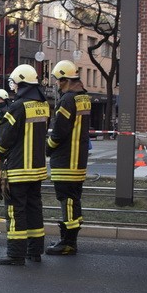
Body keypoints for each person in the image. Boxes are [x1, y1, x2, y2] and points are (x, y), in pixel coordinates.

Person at [0, 65, 49, 265]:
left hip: (18, 169)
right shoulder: (44, 105)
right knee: (35, 209)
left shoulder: (17, 107)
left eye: (14, 83)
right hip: (37, 169)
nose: (13, 87)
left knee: (16, 211)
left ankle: (15, 254)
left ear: (22, 83)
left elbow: (3, 140)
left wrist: (0, 152)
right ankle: (35, 251)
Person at [45, 60, 91, 256]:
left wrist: (47, 148)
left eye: (57, 80)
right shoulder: (84, 98)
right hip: (78, 159)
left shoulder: (67, 100)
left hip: (66, 160)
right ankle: (71, 239)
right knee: (74, 199)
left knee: (67, 200)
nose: (56, 83)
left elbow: (59, 132)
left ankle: (68, 242)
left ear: (64, 79)